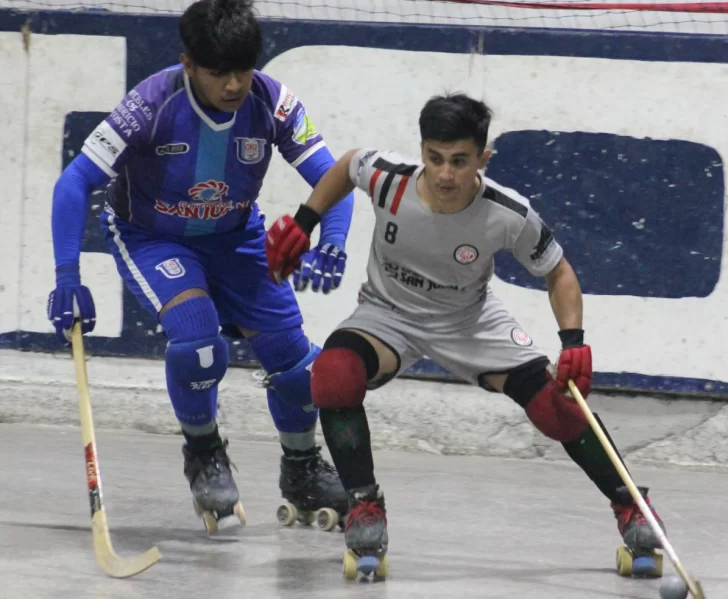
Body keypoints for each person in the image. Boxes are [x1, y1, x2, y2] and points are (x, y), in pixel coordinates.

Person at [265, 93, 666, 577]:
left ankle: (631, 507)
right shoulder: (390, 180)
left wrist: (573, 341)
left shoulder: (507, 213)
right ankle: (365, 506)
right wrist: (306, 221)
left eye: (459, 161)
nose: (445, 174)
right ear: (422, 150)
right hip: (388, 315)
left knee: (556, 408)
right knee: (332, 374)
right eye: (434, 158)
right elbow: (349, 165)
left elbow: (559, 273)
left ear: (483, 158)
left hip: (470, 322)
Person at [47, 0, 352, 533]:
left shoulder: (274, 102)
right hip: (152, 237)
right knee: (198, 342)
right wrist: (67, 278)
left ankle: (302, 469)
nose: (234, 85)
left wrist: (333, 241)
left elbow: (336, 179)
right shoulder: (148, 105)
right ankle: (205, 453)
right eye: (218, 73)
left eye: (244, 70)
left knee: (299, 368)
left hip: (236, 238)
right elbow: (74, 182)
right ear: (188, 63)